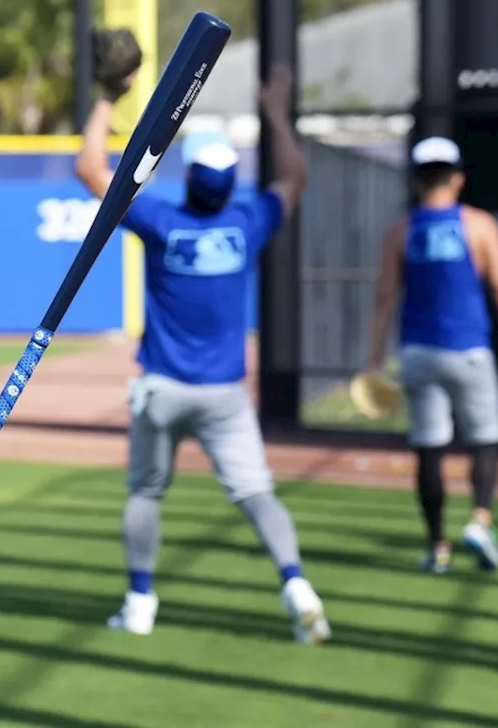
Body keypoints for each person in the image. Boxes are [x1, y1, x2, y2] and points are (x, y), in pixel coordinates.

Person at [73, 62, 330, 645]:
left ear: (188, 177)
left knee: (145, 493)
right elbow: (294, 179)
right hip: (225, 395)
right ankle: (296, 585)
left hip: (162, 388)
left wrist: (108, 99)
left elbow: (89, 168)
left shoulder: (161, 219)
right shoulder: (247, 222)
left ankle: (139, 600)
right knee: (256, 493)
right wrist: (277, 115)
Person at [365, 136, 498, 575]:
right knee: (486, 438)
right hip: (470, 350)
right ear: (458, 177)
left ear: (417, 179)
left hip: (419, 353)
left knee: (429, 448)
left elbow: (384, 297)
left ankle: (437, 546)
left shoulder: (401, 231)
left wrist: (373, 359)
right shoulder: (478, 225)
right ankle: (480, 519)